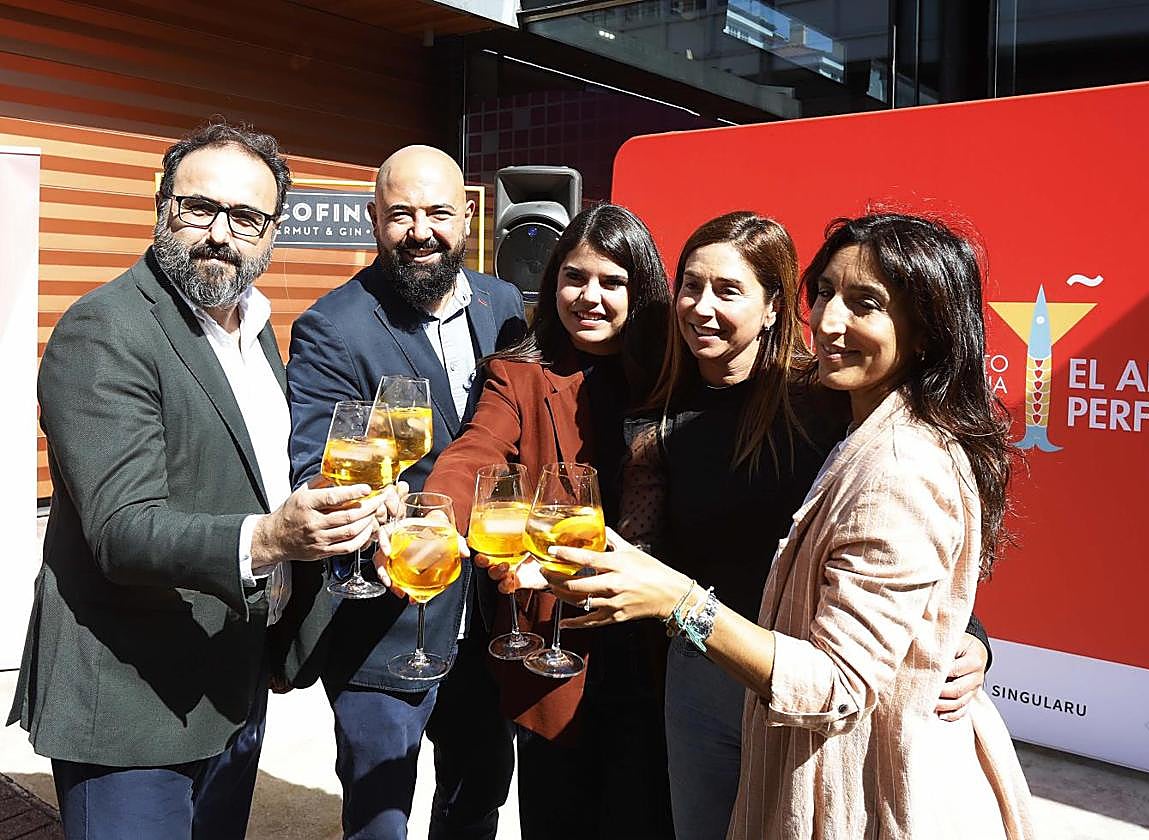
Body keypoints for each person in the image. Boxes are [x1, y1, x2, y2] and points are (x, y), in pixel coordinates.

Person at [550, 212, 1035, 839]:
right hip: (704, 668)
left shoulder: (831, 401)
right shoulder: (659, 417)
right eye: (690, 286)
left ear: (773, 306)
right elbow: (645, 551)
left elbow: (899, 553)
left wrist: (967, 634)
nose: (701, 308)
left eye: (728, 290)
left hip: (800, 667)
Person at [8, 122, 388, 840]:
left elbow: (247, 471)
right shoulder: (105, 329)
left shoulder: (254, 327)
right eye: (200, 208)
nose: (220, 234)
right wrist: (272, 537)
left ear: (271, 232)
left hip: (230, 681)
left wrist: (345, 502)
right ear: (162, 207)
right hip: (131, 702)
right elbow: (122, 529)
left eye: (246, 217)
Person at [280, 145, 526, 839]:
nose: (420, 231)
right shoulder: (335, 326)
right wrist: (361, 501)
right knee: (378, 818)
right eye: (400, 215)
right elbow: (315, 465)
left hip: (490, 615)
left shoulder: (505, 305)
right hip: (384, 625)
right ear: (373, 219)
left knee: (477, 801)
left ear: (469, 216)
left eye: (438, 213)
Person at [420, 203, 674, 839]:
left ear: (641, 289)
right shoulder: (521, 372)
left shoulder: (676, 373)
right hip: (559, 640)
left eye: (612, 281)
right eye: (574, 277)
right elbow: (475, 451)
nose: (589, 297)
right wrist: (436, 520)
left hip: (662, 648)